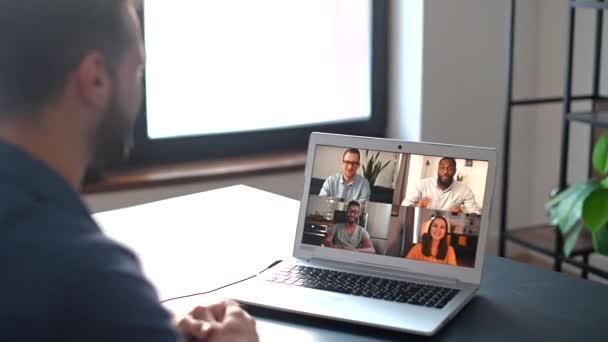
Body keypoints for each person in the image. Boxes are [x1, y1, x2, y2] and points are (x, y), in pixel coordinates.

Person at [0, 1, 257, 341]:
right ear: (95, 79)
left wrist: (146, 321)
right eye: (137, 71)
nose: (139, 89)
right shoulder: (91, 280)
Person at [401, 157, 481, 214]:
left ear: (455, 171)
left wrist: (463, 213)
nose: (445, 171)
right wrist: (417, 207)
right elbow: (404, 205)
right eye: (442, 168)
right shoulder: (423, 184)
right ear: (438, 169)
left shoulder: (464, 190)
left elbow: (476, 213)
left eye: (450, 169)